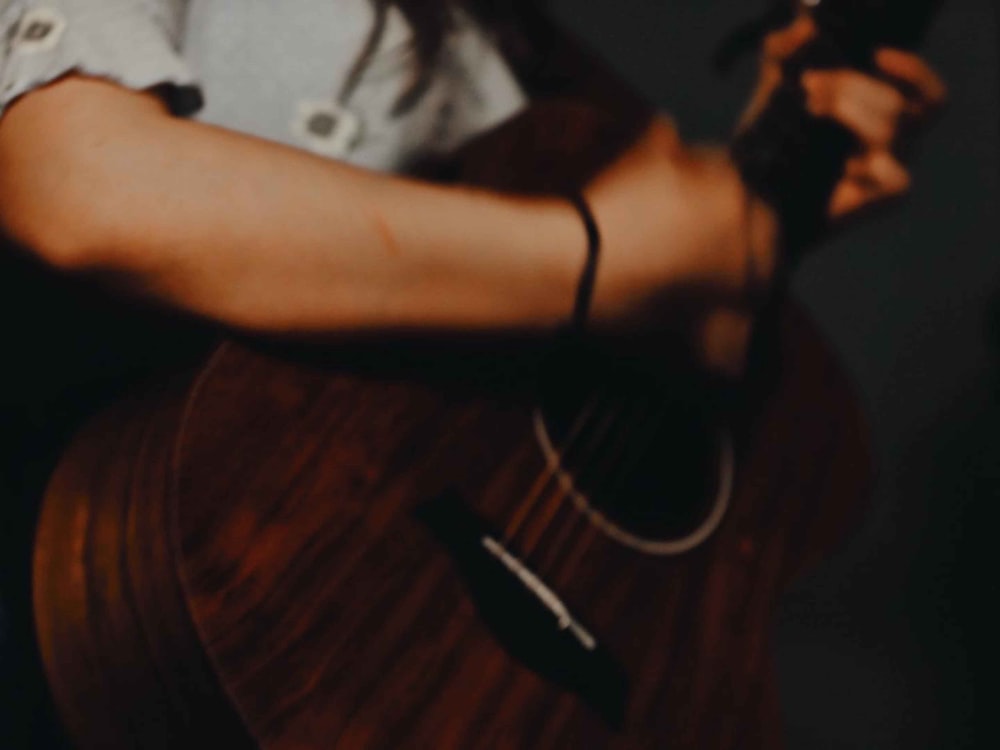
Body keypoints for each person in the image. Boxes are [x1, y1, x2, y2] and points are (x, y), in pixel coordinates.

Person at [0, 0, 945, 746]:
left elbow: (588, 380)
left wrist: (760, 222)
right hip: (79, 577)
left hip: (350, 639)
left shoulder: (520, 74)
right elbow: (78, 183)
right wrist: (600, 257)